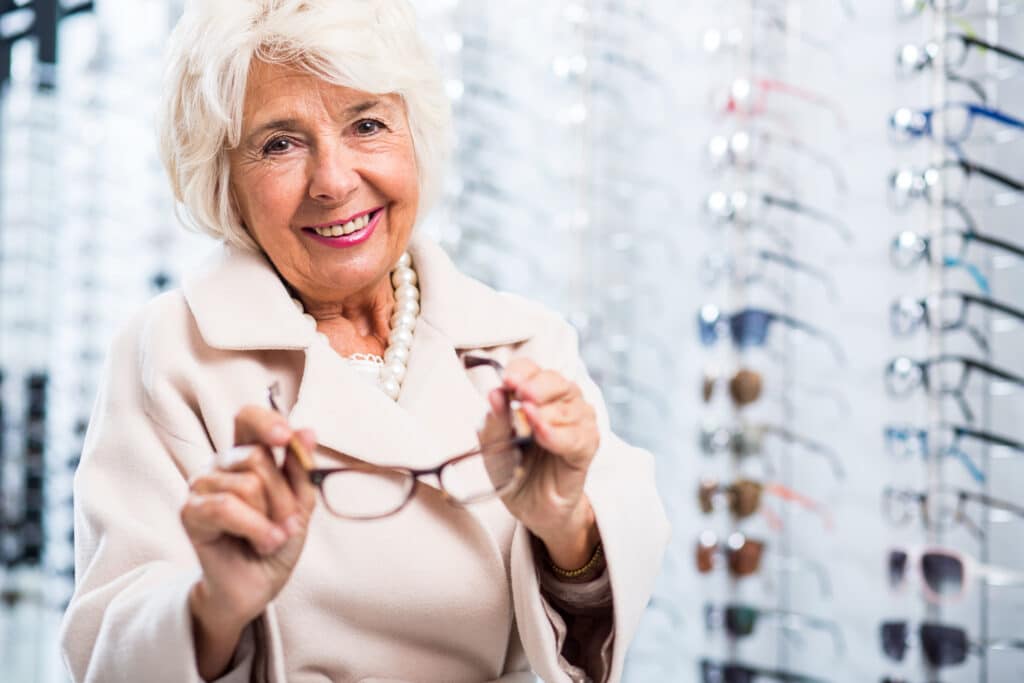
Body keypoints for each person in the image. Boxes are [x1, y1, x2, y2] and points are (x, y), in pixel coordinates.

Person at [58, 1, 670, 681]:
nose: (334, 180)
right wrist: (213, 605)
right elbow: (107, 649)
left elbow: (607, 610)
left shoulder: (523, 341)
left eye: (368, 125)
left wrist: (565, 529)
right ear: (225, 178)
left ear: (415, 135)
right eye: (280, 143)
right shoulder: (171, 352)